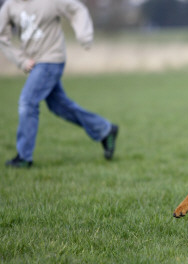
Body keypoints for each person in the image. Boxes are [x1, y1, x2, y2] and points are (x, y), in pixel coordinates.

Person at [0, 0, 118, 168]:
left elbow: (77, 9)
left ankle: (24, 157)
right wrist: (20, 60)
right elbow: (2, 36)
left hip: (51, 59)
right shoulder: (9, 6)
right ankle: (105, 130)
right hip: (34, 62)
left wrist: (84, 35)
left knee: (28, 102)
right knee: (59, 106)